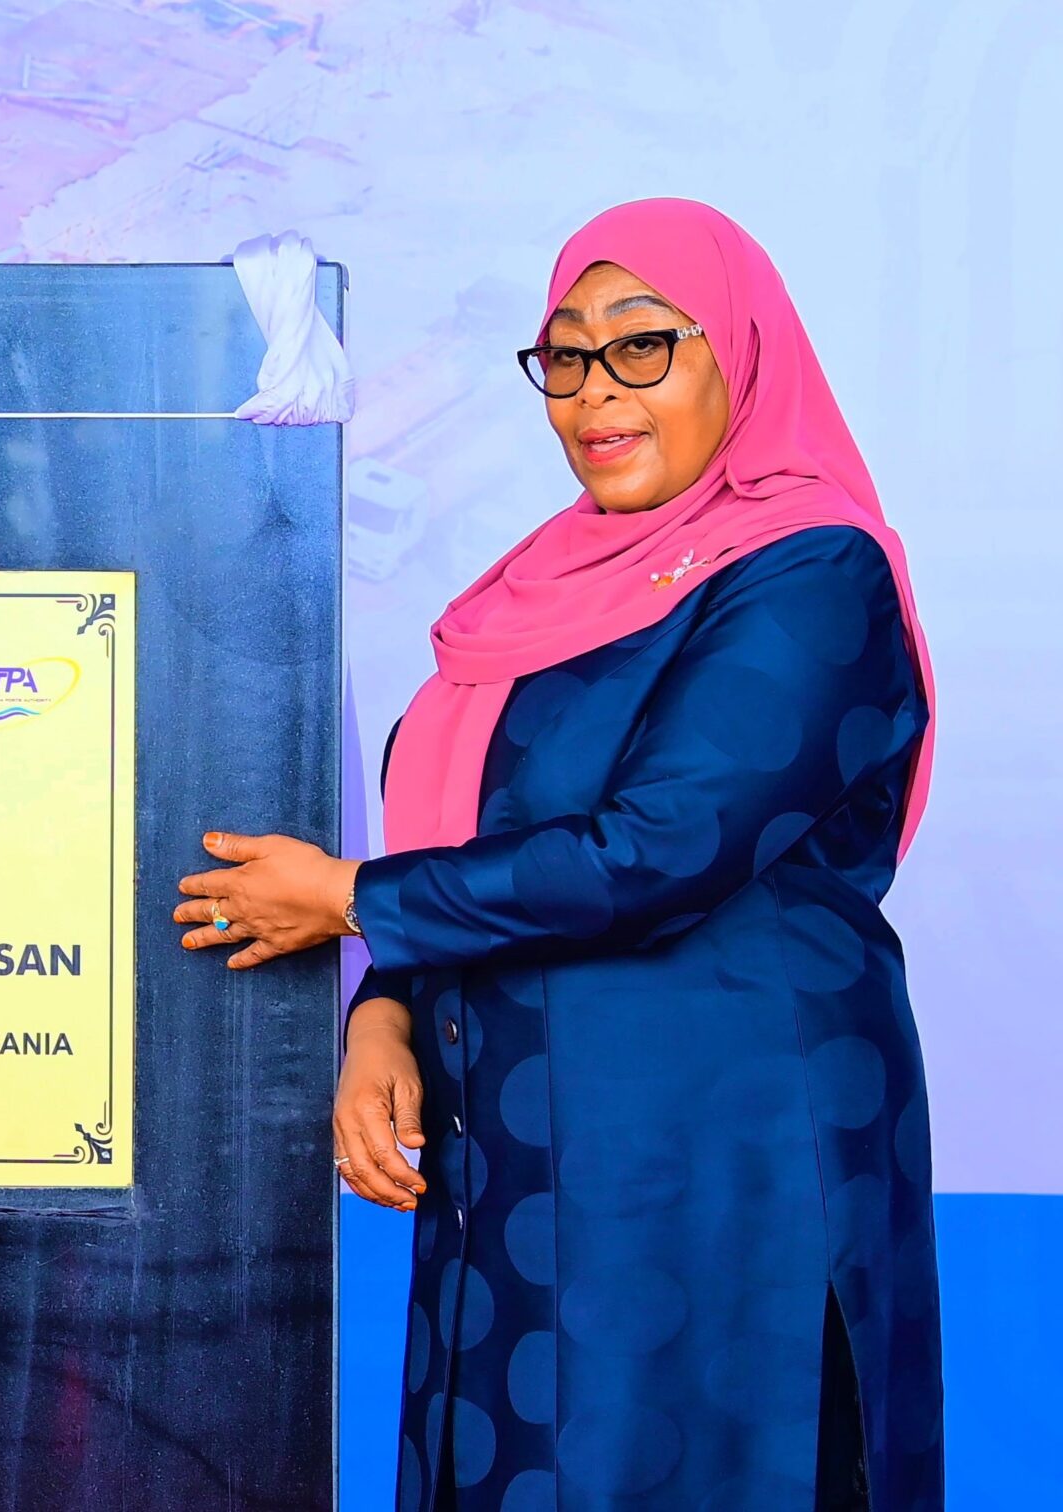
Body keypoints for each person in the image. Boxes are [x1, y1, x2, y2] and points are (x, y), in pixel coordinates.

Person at [172, 200, 939, 1510]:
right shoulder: (546, 587)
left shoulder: (812, 569)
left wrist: (350, 901)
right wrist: (387, 1012)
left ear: (740, 354)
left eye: (642, 346)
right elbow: (474, 830)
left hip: (716, 1156)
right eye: (568, 356)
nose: (596, 391)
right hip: (520, 1153)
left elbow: (662, 848)